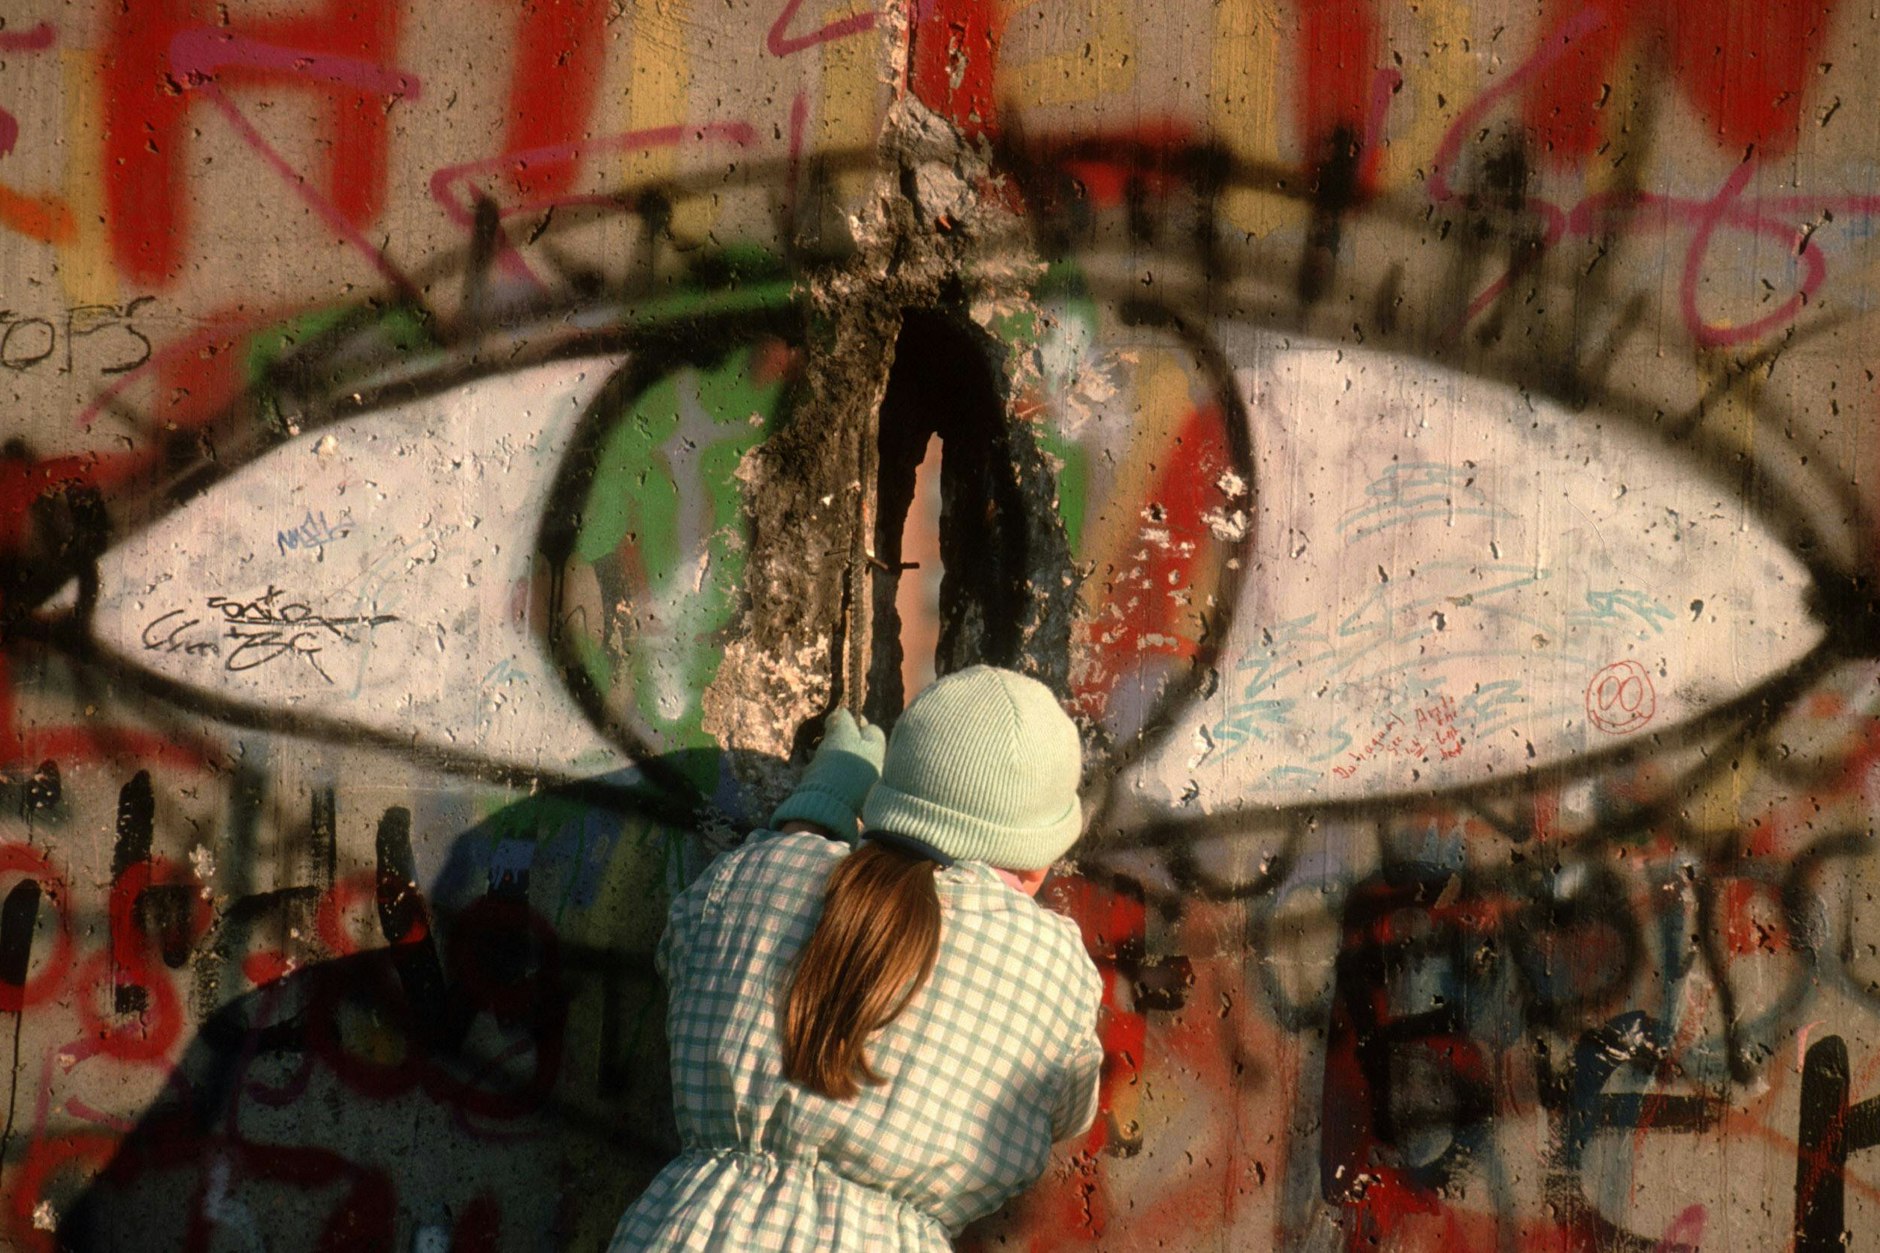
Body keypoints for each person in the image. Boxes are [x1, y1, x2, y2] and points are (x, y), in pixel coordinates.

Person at [610, 665, 1105, 1251]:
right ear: (1034, 859)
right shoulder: (1048, 968)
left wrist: (819, 805)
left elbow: (684, 947)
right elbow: (1069, 1107)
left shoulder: (755, 875)